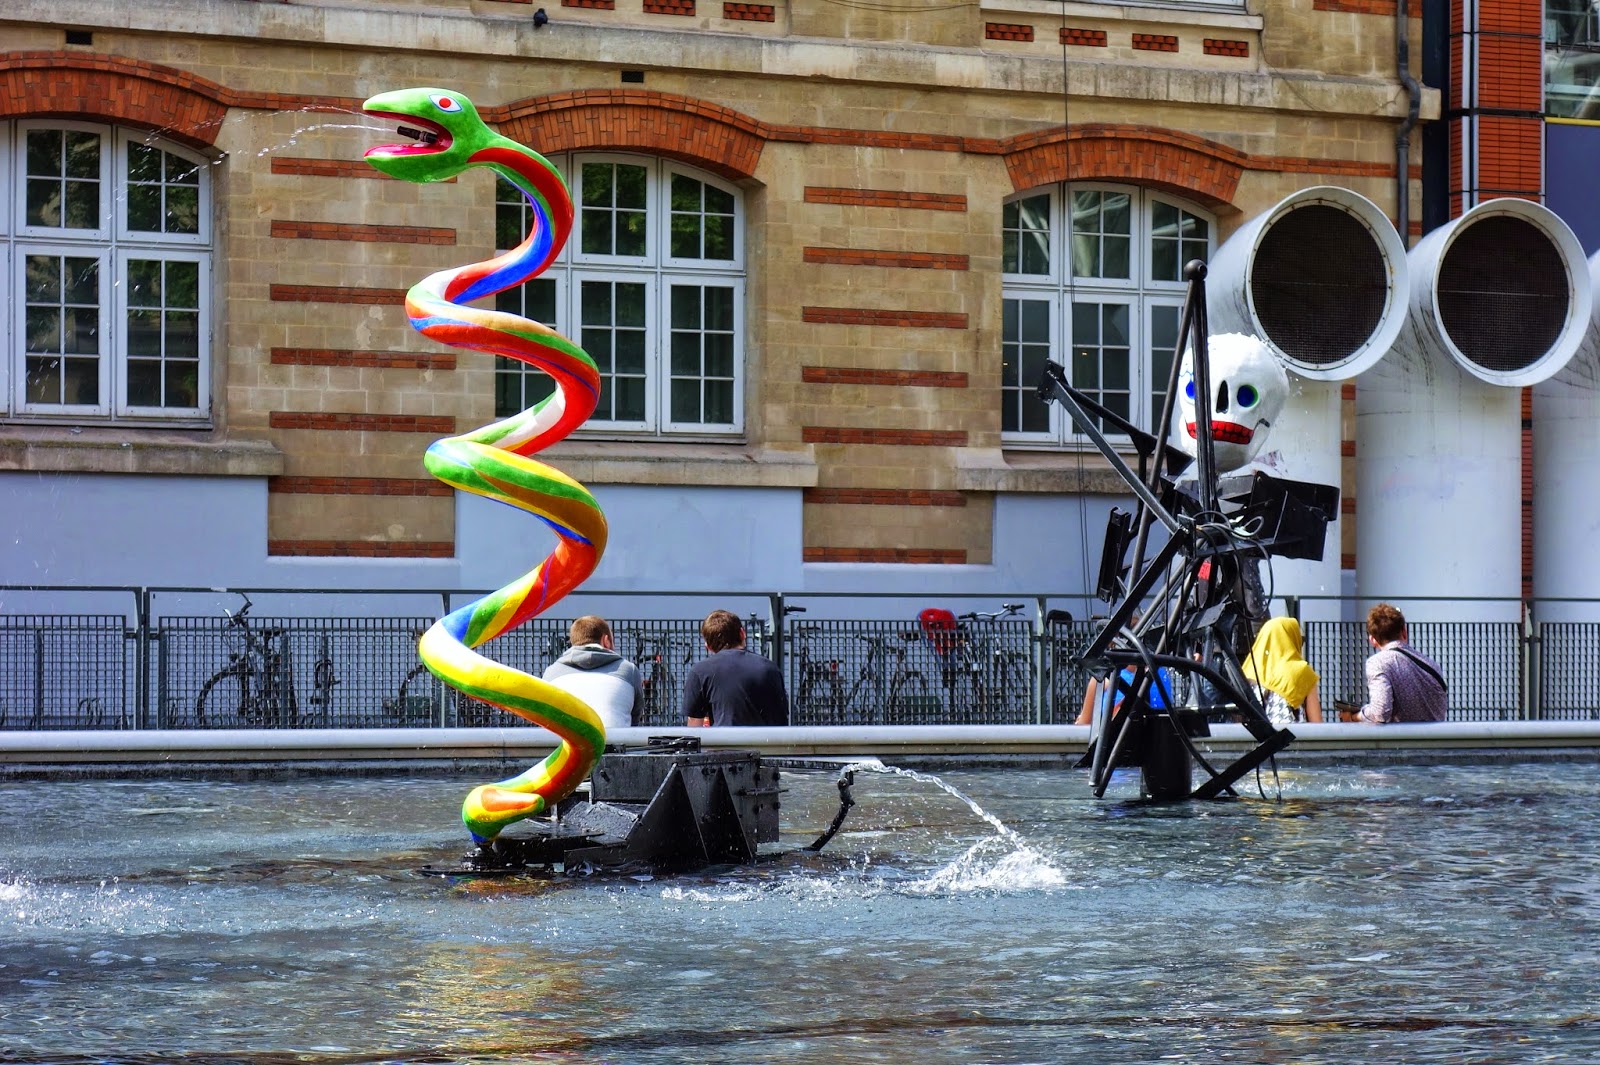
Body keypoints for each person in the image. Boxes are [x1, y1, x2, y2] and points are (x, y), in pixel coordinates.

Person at [1342, 603, 1448, 724]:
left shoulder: (1377, 663)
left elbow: (1380, 713)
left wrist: (1355, 716)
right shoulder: (1431, 664)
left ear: (1373, 640)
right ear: (1404, 631)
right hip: (1438, 739)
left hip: (1401, 741)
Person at [682, 609, 789, 727]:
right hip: (763, 743)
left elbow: (694, 727)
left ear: (708, 646)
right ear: (742, 633)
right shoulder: (770, 668)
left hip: (724, 743)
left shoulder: (700, 671)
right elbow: (781, 717)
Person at [541, 615, 643, 732]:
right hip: (613, 745)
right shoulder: (628, 670)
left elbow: (545, 718)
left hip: (564, 747)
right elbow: (635, 716)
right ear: (606, 641)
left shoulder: (551, 673)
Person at [1240, 616, 1323, 727]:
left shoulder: (1248, 671)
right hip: (1293, 738)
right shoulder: (1302, 672)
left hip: (1256, 739)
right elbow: (1316, 723)